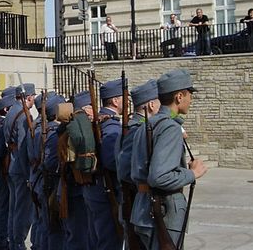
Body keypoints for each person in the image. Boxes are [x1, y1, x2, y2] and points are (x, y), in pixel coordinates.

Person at [131, 69, 207, 249]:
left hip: (144, 208)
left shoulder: (146, 124)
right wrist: (192, 174)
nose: (191, 100)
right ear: (179, 96)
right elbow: (159, 177)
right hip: (162, 212)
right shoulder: (169, 128)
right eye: (189, 95)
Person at [117, 79, 160, 250]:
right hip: (135, 199)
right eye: (158, 102)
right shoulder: (135, 130)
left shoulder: (133, 127)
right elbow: (125, 170)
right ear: (150, 105)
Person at [83, 79, 125, 249]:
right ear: (115, 101)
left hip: (93, 189)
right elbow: (111, 161)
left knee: (95, 239)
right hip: (105, 191)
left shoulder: (98, 120)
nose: (126, 101)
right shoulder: (111, 126)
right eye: (123, 97)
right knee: (109, 241)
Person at [30, 94, 66, 249]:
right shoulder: (52, 133)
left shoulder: (40, 129)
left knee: (44, 223)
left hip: (38, 180)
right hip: (49, 183)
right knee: (52, 228)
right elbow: (50, 163)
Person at [4, 83, 36, 250]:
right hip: (20, 167)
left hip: (12, 163)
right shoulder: (24, 115)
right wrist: (28, 173)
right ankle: (18, 243)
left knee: (14, 207)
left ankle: (12, 240)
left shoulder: (11, 111)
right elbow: (24, 146)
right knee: (22, 211)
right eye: (33, 97)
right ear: (28, 97)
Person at [57, 91, 90, 250]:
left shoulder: (68, 127)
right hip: (74, 186)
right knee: (78, 235)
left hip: (70, 185)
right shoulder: (74, 129)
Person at [0, 90, 16, 250]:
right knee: (5, 206)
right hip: (3, 168)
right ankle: (1, 240)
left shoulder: (0, 123)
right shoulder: (2, 124)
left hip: (3, 168)